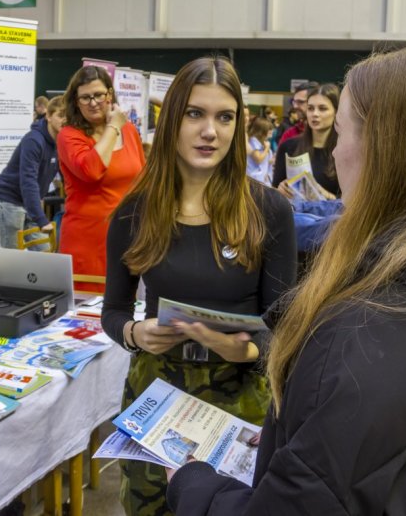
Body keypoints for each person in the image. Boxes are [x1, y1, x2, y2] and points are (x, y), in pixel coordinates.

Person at [166, 46, 406, 515]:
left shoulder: (359, 332)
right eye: (195, 114)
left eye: (341, 131)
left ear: (385, 152)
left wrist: (194, 486)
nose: (334, 152)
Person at [102, 56, 296, 516]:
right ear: (171, 121)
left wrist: (244, 351)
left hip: (240, 398)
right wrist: (134, 334)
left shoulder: (268, 211)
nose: (210, 131)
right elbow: (113, 311)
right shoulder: (134, 212)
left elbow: (283, 327)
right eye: (195, 114)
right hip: (156, 396)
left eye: (224, 117)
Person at [57, 66, 145, 289]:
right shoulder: (69, 136)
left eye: (98, 95)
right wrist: (113, 126)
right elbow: (91, 170)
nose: (93, 102)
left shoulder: (130, 131)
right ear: (76, 102)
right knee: (89, 315)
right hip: (88, 241)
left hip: (128, 237)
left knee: (125, 309)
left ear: (109, 95)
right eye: (85, 98)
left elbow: (142, 178)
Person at [0, 96, 65, 250]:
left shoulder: (59, 143)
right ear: (49, 116)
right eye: (61, 115)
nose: (65, 120)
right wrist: (41, 218)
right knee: (13, 260)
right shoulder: (34, 140)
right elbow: (28, 180)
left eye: (68, 116)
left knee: (45, 255)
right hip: (10, 202)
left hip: (31, 203)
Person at [273, 83, 341, 199]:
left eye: (322, 109)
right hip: (295, 215)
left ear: (336, 112)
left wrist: (327, 196)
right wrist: (280, 190)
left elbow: (353, 201)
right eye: (310, 108)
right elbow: (274, 189)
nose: (315, 114)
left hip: (333, 216)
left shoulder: (343, 151)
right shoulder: (289, 146)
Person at [276, 80, 319, 145]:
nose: (295, 106)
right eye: (294, 102)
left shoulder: (333, 133)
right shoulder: (291, 133)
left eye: (300, 102)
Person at [245, 116, 274, 185]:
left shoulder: (262, 142)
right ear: (262, 131)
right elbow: (258, 159)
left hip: (263, 179)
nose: (271, 132)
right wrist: (267, 148)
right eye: (269, 130)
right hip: (255, 179)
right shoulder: (253, 141)